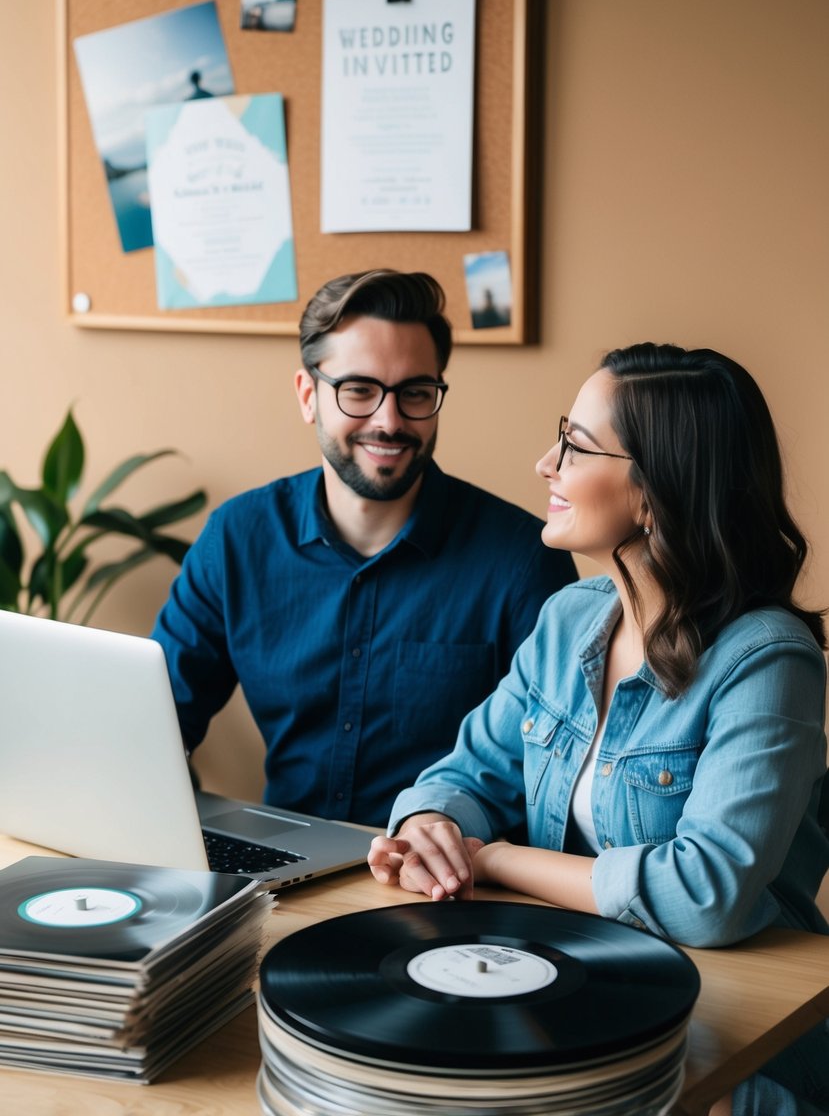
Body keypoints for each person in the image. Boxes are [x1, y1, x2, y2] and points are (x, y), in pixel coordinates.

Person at [369, 342, 829, 1116]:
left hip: (739, 1047)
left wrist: (499, 859)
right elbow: (467, 772)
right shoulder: (568, 618)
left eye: (576, 446)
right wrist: (430, 827)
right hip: (584, 999)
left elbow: (703, 894)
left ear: (656, 491)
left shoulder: (767, 660)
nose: (546, 462)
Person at [151, 269, 576, 828]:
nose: (389, 420)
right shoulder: (237, 540)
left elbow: (554, 775)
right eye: (358, 390)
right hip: (282, 870)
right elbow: (154, 723)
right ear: (309, 396)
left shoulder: (522, 561)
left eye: (416, 393)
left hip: (449, 885)